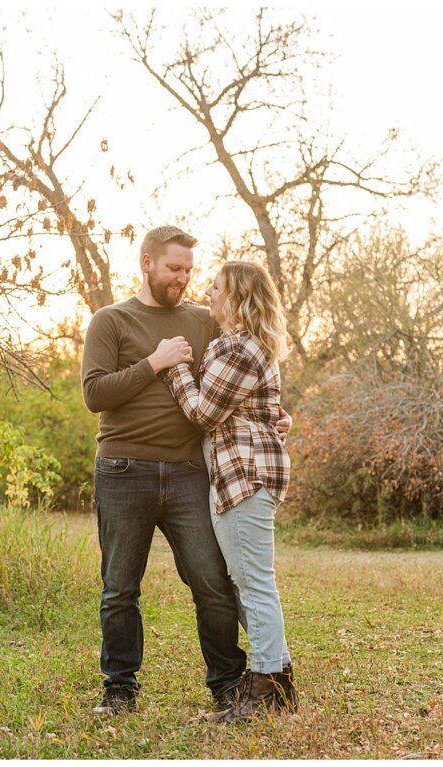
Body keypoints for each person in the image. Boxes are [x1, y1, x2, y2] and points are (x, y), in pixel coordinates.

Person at [81, 225, 290, 716]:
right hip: (122, 468)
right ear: (147, 262)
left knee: (212, 583)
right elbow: (95, 394)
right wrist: (155, 362)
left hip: (189, 472)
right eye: (174, 268)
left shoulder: (203, 320)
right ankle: (120, 690)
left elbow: (246, 364)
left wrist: (275, 412)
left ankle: (228, 684)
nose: (182, 279)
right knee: (119, 587)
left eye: (189, 271)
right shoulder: (110, 321)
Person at [161, 260, 296, 722]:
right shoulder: (244, 346)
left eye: (216, 287)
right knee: (254, 584)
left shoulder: (239, 348)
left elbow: (203, 413)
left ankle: (264, 693)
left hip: (244, 476)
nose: (209, 293)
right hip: (242, 474)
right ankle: (277, 686)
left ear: (237, 297)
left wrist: (176, 369)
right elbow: (260, 410)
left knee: (254, 585)